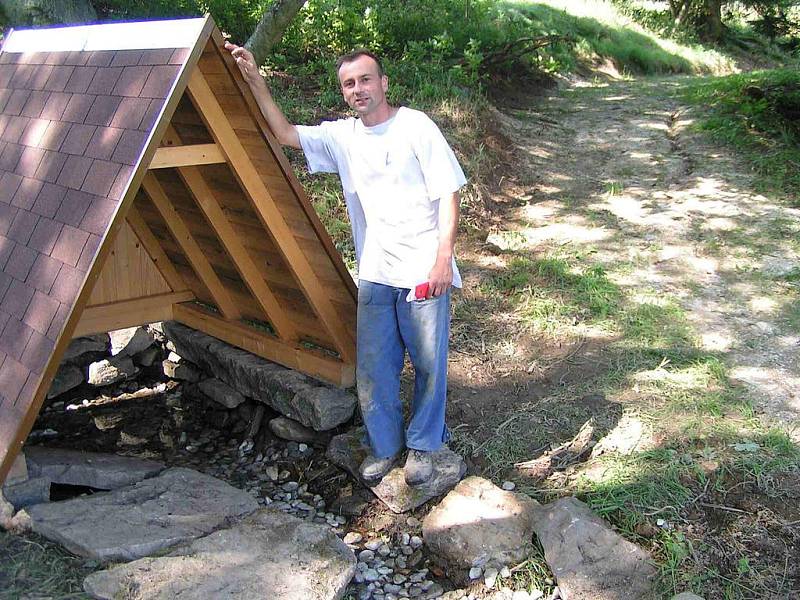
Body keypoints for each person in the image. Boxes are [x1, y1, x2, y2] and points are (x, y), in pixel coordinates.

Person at [225, 42, 466, 486]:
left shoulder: (416, 127)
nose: (358, 89)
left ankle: (423, 447)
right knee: (375, 368)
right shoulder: (343, 137)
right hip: (375, 272)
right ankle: (385, 447)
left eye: (365, 79)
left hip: (423, 270)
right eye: (349, 83)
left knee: (429, 365)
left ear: (383, 83)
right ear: (344, 92)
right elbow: (284, 134)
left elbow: (447, 192)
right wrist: (254, 79)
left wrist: (442, 260)